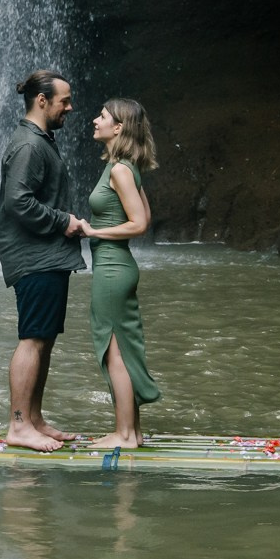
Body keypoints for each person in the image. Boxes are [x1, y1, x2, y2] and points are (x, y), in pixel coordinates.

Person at [0, 68, 86, 452]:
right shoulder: (30, 145)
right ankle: (18, 425)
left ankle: (34, 419)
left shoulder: (39, 140)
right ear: (42, 101)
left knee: (43, 339)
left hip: (45, 255)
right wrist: (64, 221)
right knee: (32, 339)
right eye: (64, 101)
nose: (70, 107)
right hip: (34, 256)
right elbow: (18, 202)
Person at [71, 98, 162, 449]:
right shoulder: (123, 166)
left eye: (103, 117)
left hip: (112, 268)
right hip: (117, 267)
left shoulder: (120, 170)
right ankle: (133, 432)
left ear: (119, 128)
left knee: (114, 352)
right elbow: (145, 216)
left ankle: (123, 434)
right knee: (122, 348)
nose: (95, 120)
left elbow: (138, 224)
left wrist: (93, 231)